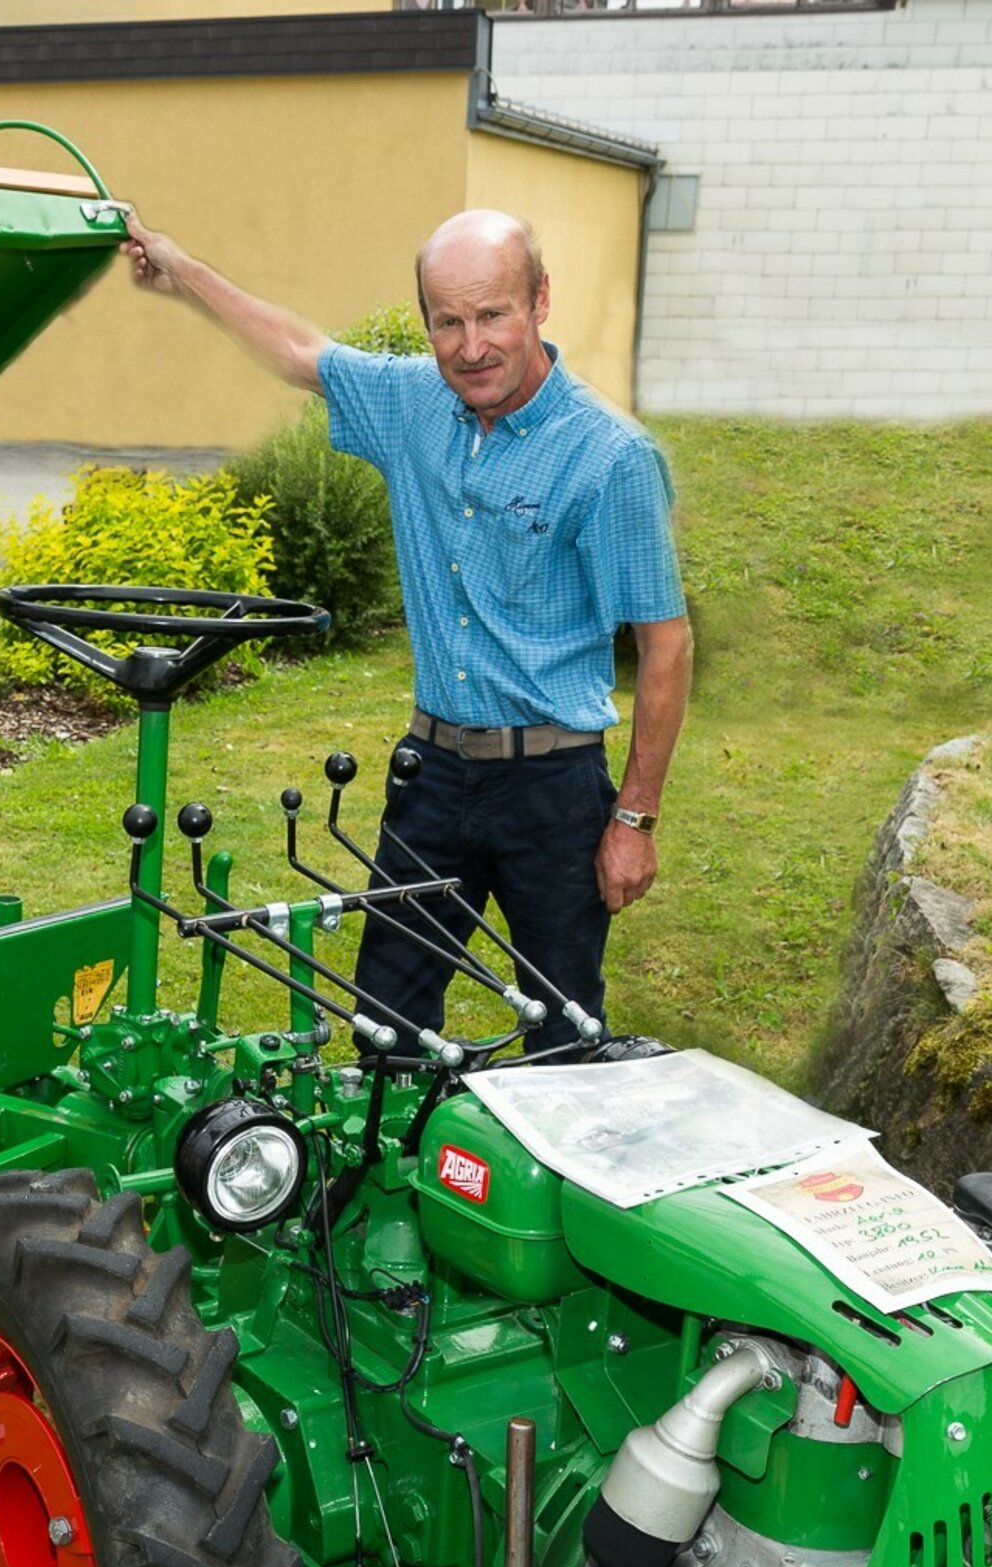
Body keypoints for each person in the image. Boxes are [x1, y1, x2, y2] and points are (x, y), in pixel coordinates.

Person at [121, 207, 691, 1053]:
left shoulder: (607, 457)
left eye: (492, 314)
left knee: (564, 1037)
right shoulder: (413, 404)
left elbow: (665, 646)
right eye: (447, 322)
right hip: (432, 780)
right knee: (383, 1029)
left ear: (539, 301)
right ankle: (387, 1179)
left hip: (554, 789)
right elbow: (298, 353)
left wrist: (633, 820)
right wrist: (181, 272)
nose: (470, 347)